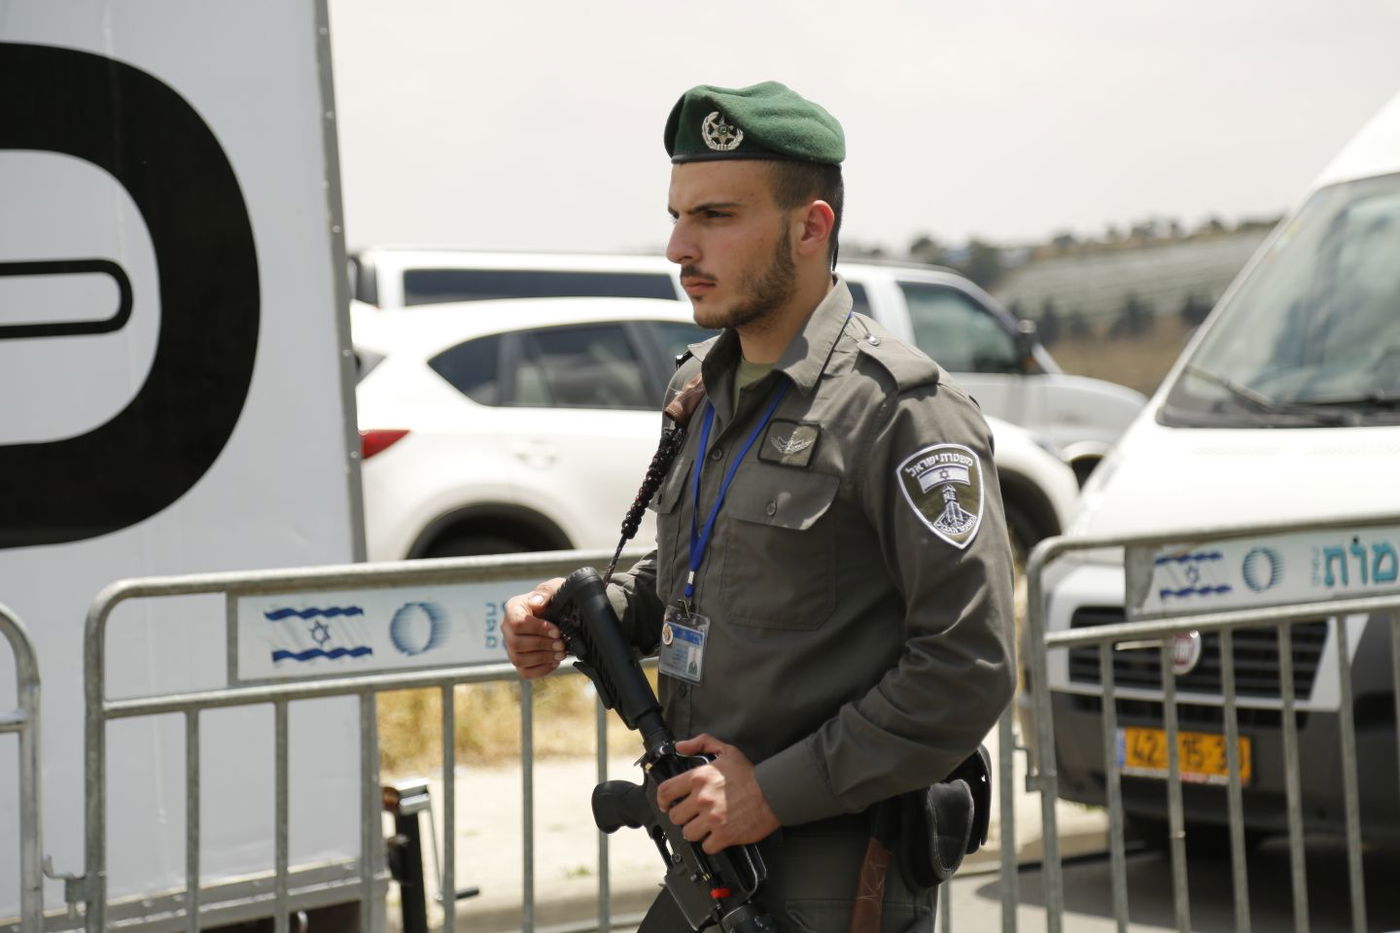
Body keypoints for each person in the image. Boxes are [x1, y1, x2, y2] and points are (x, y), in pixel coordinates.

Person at [504, 81, 1015, 932]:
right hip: (707, 861)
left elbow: (968, 664)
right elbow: (693, 582)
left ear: (810, 228)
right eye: (677, 215)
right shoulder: (699, 390)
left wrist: (770, 792)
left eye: (715, 217)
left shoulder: (901, 411)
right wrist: (575, 613)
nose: (677, 246)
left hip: (837, 871)